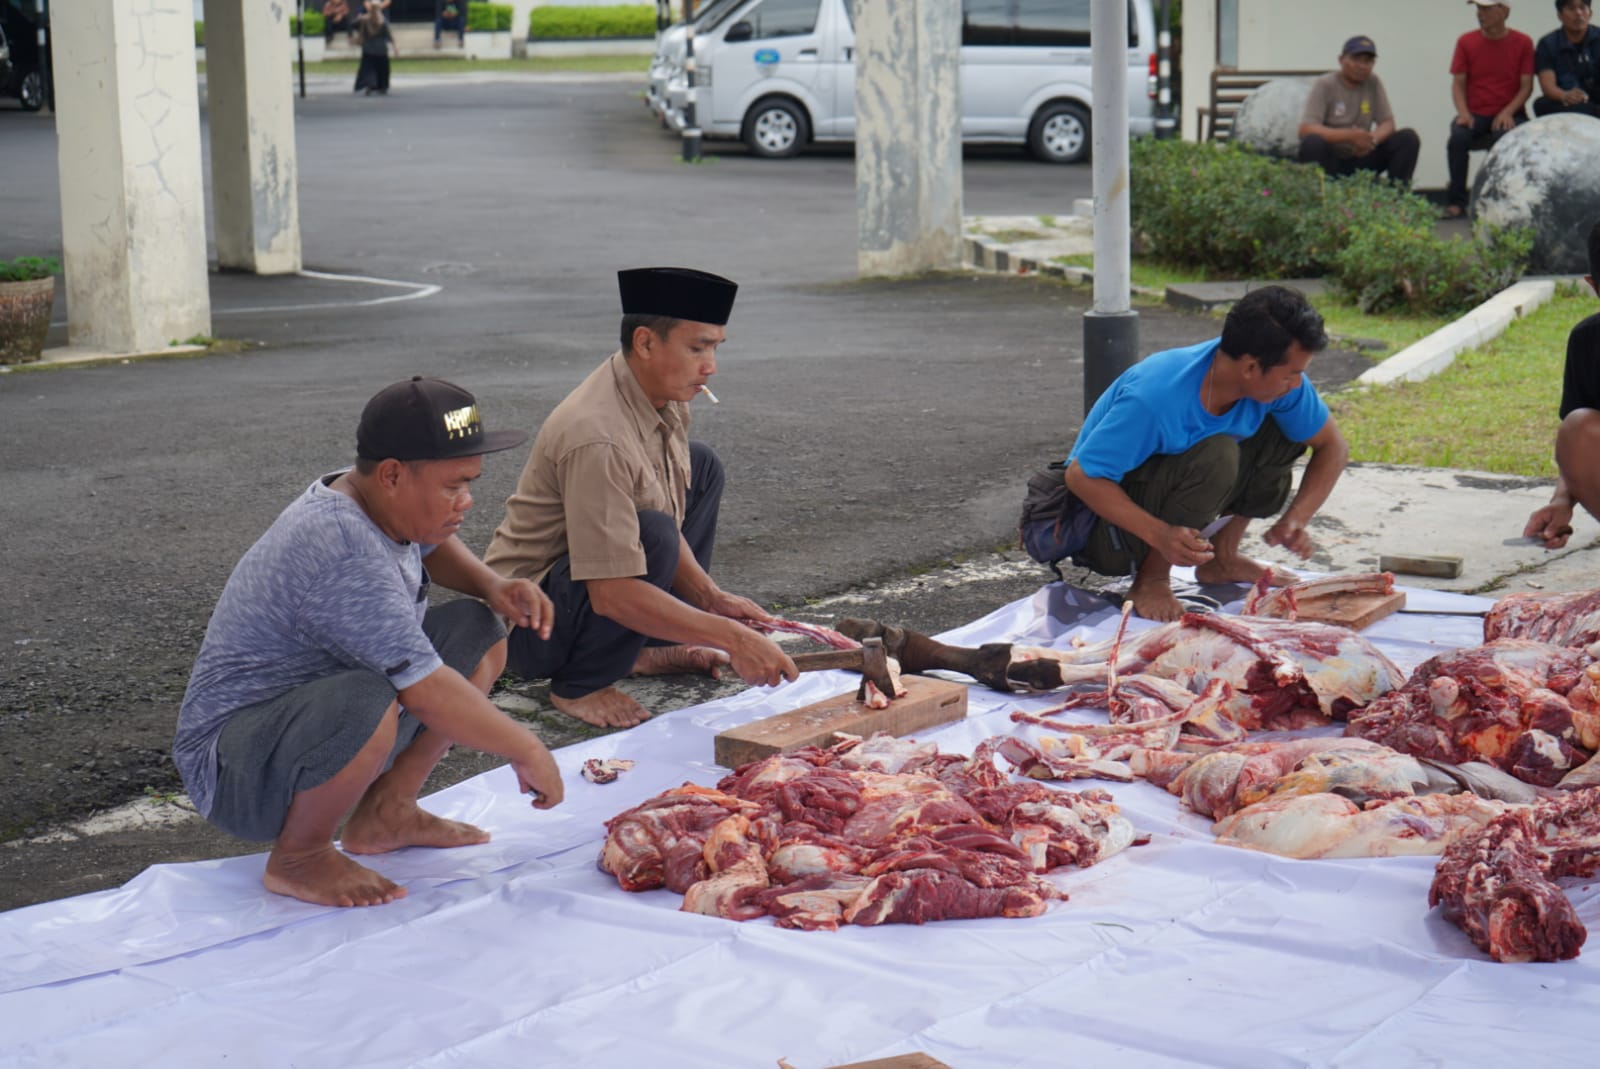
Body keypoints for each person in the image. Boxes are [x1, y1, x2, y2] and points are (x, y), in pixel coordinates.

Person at [172, 378, 565, 908]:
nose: (466, 501)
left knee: (478, 629)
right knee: (371, 696)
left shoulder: (369, 496)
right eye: (453, 486)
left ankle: (388, 813)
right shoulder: (340, 545)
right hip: (234, 769)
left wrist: (492, 585)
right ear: (393, 475)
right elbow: (424, 689)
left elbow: (426, 540)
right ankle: (300, 856)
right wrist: (527, 747)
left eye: (470, 482)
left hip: (298, 726)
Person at [485, 267, 798, 729]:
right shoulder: (597, 436)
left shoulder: (662, 393)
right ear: (646, 343)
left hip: (582, 589)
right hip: (531, 624)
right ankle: (581, 684)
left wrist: (709, 599)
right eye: (697, 348)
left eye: (714, 348)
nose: (710, 366)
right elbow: (613, 591)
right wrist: (734, 639)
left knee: (702, 465)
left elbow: (664, 513)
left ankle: (642, 648)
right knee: (648, 533)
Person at [1037, 285, 1349, 623]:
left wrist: (1296, 518)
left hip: (1159, 505)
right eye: (1291, 373)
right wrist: (1160, 535)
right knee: (1217, 454)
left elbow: (1332, 446)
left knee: (1282, 433)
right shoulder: (1155, 397)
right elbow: (1082, 476)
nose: (1297, 383)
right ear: (1250, 367)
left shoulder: (1279, 387)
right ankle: (1151, 580)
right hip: (1105, 531)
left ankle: (1222, 559)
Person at [1524, 221, 1600, 548]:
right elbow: (1583, 446)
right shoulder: (1588, 341)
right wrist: (1562, 501)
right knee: (1579, 427)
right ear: (1594, 287)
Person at [1446, 0, 1536, 217]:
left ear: (1504, 11)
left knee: (1506, 140)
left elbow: (1526, 87)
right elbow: (1458, 84)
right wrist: (1463, 113)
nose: (1480, 14)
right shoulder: (1466, 42)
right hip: (1476, 113)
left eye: (1486, 8)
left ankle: (1502, 200)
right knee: (1457, 139)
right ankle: (1457, 202)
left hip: (1510, 112)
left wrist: (1507, 112)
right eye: (1478, 9)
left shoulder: (1523, 42)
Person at [1297, 35, 1422, 186]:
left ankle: (1397, 200)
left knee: (1407, 138)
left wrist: (1371, 141)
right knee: (1312, 143)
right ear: (1341, 60)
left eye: (1368, 61)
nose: (1362, 66)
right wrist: (1350, 136)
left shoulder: (1373, 82)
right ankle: (1319, 199)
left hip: (1362, 157)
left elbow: (1388, 123)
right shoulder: (1325, 84)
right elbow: (1306, 129)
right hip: (1332, 158)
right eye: (1356, 59)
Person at [1534, 0, 1600, 116]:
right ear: (1560, 16)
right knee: (1540, 104)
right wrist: (1564, 95)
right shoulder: (1547, 44)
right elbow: (1548, 86)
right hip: (1567, 100)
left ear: (1590, 13)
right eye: (1571, 8)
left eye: (1583, 8)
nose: (1578, 13)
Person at [353, 2, 397, 97]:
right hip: (381, 49)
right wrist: (395, 48)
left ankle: (370, 84)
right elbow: (389, 36)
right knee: (382, 69)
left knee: (368, 69)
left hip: (368, 48)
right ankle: (382, 86)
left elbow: (354, 25)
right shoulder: (382, 22)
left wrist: (360, 18)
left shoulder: (365, 20)